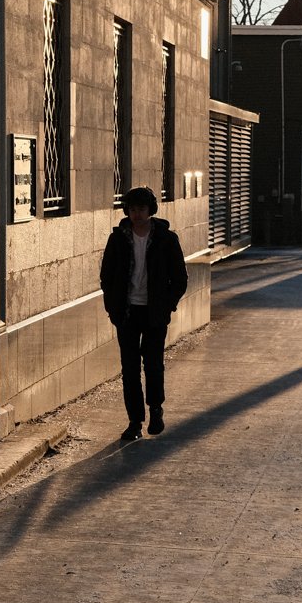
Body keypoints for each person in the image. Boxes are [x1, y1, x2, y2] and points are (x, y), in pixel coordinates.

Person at [99, 186, 189, 441]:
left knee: (153, 364)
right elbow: (107, 275)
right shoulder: (117, 239)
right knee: (129, 369)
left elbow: (180, 278)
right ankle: (135, 421)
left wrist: (167, 304)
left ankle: (156, 409)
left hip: (154, 313)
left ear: (150, 210)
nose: (137, 214)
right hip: (126, 312)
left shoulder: (166, 239)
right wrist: (112, 306)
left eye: (141, 209)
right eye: (132, 209)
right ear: (127, 210)